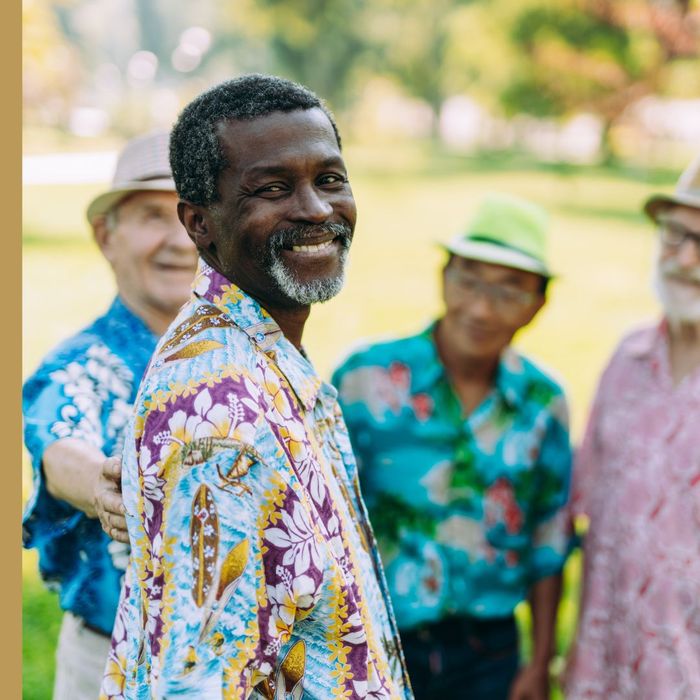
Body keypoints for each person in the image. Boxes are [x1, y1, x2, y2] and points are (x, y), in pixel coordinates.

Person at [99, 74, 412, 700]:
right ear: (200, 223)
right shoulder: (218, 420)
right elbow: (195, 686)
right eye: (272, 188)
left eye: (329, 179)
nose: (318, 210)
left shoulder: (266, 357)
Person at [332, 193, 573, 700]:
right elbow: (324, 517)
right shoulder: (366, 379)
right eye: (469, 280)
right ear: (444, 279)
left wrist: (541, 659)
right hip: (378, 634)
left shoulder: (542, 403)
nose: (482, 308)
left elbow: (549, 538)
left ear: (539, 304)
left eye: (510, 290)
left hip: (488, 651)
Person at [22, 130, 198, 699]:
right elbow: (59, 445)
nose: (178, 241)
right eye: (152, 216)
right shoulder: (81, 363)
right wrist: (101, 482)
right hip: (111, 659)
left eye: (191, 217)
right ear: (106, 235)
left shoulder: (247, 354)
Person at [565, 156, 700, 699]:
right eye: (675, 234)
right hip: (605, 673)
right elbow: (585, 507)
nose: (686, 258)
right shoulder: (627, 359)